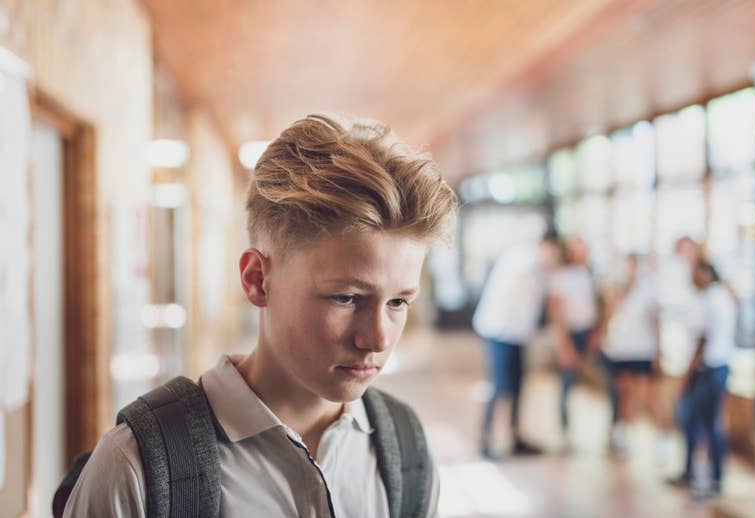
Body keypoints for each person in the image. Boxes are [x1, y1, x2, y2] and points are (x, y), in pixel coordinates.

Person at [64, 114, 456, 517]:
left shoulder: (407, 450)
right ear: (257, 280)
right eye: (346, 297)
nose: (377, 339)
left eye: (398, 303)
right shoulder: (137, 469)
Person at [473, 232, 560, 460]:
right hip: (500, 333)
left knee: (519, 386)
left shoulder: (539, 268)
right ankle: (485, 439)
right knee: (498, 387)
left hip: (517, 336)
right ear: (545, 245)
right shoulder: (523, 261)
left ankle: (515, 437)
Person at [669, 260, 736, 499]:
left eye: (695, 273)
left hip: (709, 370)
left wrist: (686, 376)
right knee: (693, 422)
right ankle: (693, 473)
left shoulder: (714, 298)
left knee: (708, 425)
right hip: (710, 369)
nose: (693, 278)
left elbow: (702, 340)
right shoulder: (714, 296)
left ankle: (714, 479)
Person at [600, 254, 660, 456]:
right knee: (623, 393)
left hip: (642, 349)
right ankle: (622, 434)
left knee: (642, 396)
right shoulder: (616, 291)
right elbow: (608, 316)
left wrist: (659, 349)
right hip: (620, 349)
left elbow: (655, 320)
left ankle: (652, 438)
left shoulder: (648, 291)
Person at [548, 237, 599, 451]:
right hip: (570, 334)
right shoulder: (561, 277)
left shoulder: (588, 274)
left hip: (587, 334)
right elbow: (556, 311)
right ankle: (565, 432)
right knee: (566, 384)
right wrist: (564, 342)